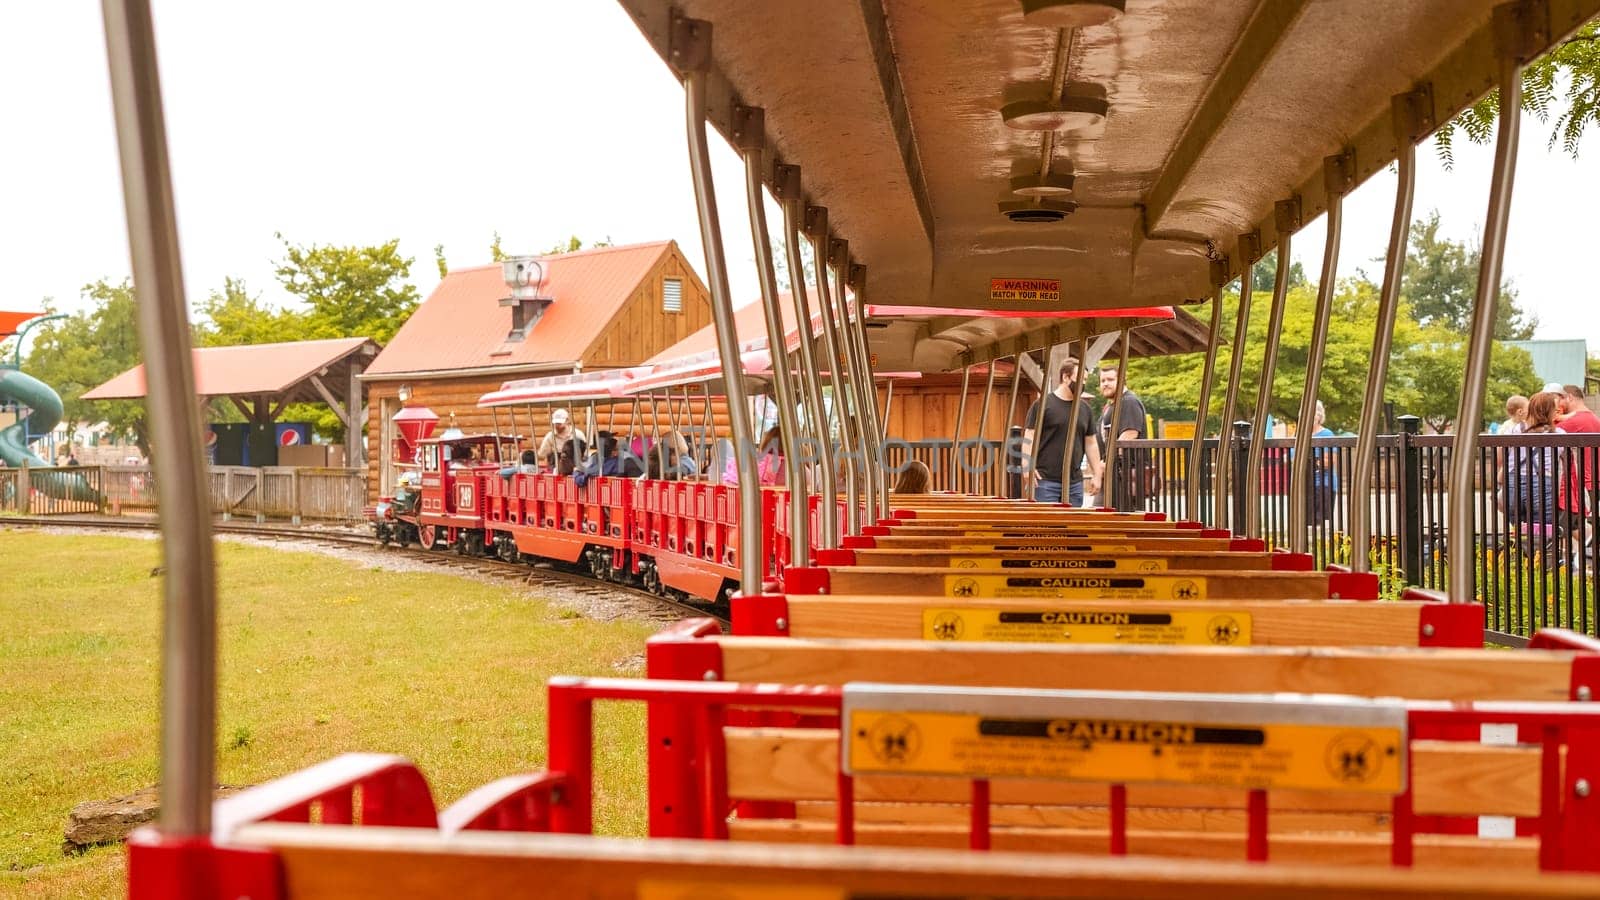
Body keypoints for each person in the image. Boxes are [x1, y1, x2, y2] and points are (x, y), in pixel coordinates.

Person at [1019, 358, 1102, 506]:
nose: (1083, 383)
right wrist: (1027, 466)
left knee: (1072, 527)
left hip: (1074, 482)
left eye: (1085, 380)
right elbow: (1029, 436)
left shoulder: (1085, 409)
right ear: (1065, 377)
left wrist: (1097, 473)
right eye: (1080, 378)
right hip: (1044, 480)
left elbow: (1091, 443)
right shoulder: (1043, 405)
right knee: (1046, 527)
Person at [1505, 392, 1561, 534]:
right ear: (1548, 411)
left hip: (1513, 483)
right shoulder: (1558, 434)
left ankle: (1521, 555)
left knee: (1518, 533)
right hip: (1543, 484)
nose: (1558, 412)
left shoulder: (1514, 430)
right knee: (1543, 534)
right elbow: (1569, 464)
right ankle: (1540, 556)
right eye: (1555, 409)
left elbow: (1502, 456)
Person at [1097, 364, 1148, 511]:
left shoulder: (1129, 401)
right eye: (1102, 380)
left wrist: (1106, 462)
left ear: (1122, 380)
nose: (1105, 383)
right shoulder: (1112, 405)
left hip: (1125, 475)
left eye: (1110, 379)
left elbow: (1129, 435)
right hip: (1114, 474)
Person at [1558, 385, 1598, 536]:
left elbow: (1542, 431)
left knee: (1565, 525)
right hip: (1591, 479)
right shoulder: (1591, 417)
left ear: (1569, 397)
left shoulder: (1575, 420)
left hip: (1586, 481)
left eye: (1560, 399)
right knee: (1576, 525)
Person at [1307, 401, 1337, 524]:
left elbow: (1330, 461)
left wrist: (1310, 460)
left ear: (1319, 416)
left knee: (1319, 524)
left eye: (1311, 413)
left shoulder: (1327, 434)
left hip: (1322, 485)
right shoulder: (1301, 434)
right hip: (1305, 485)